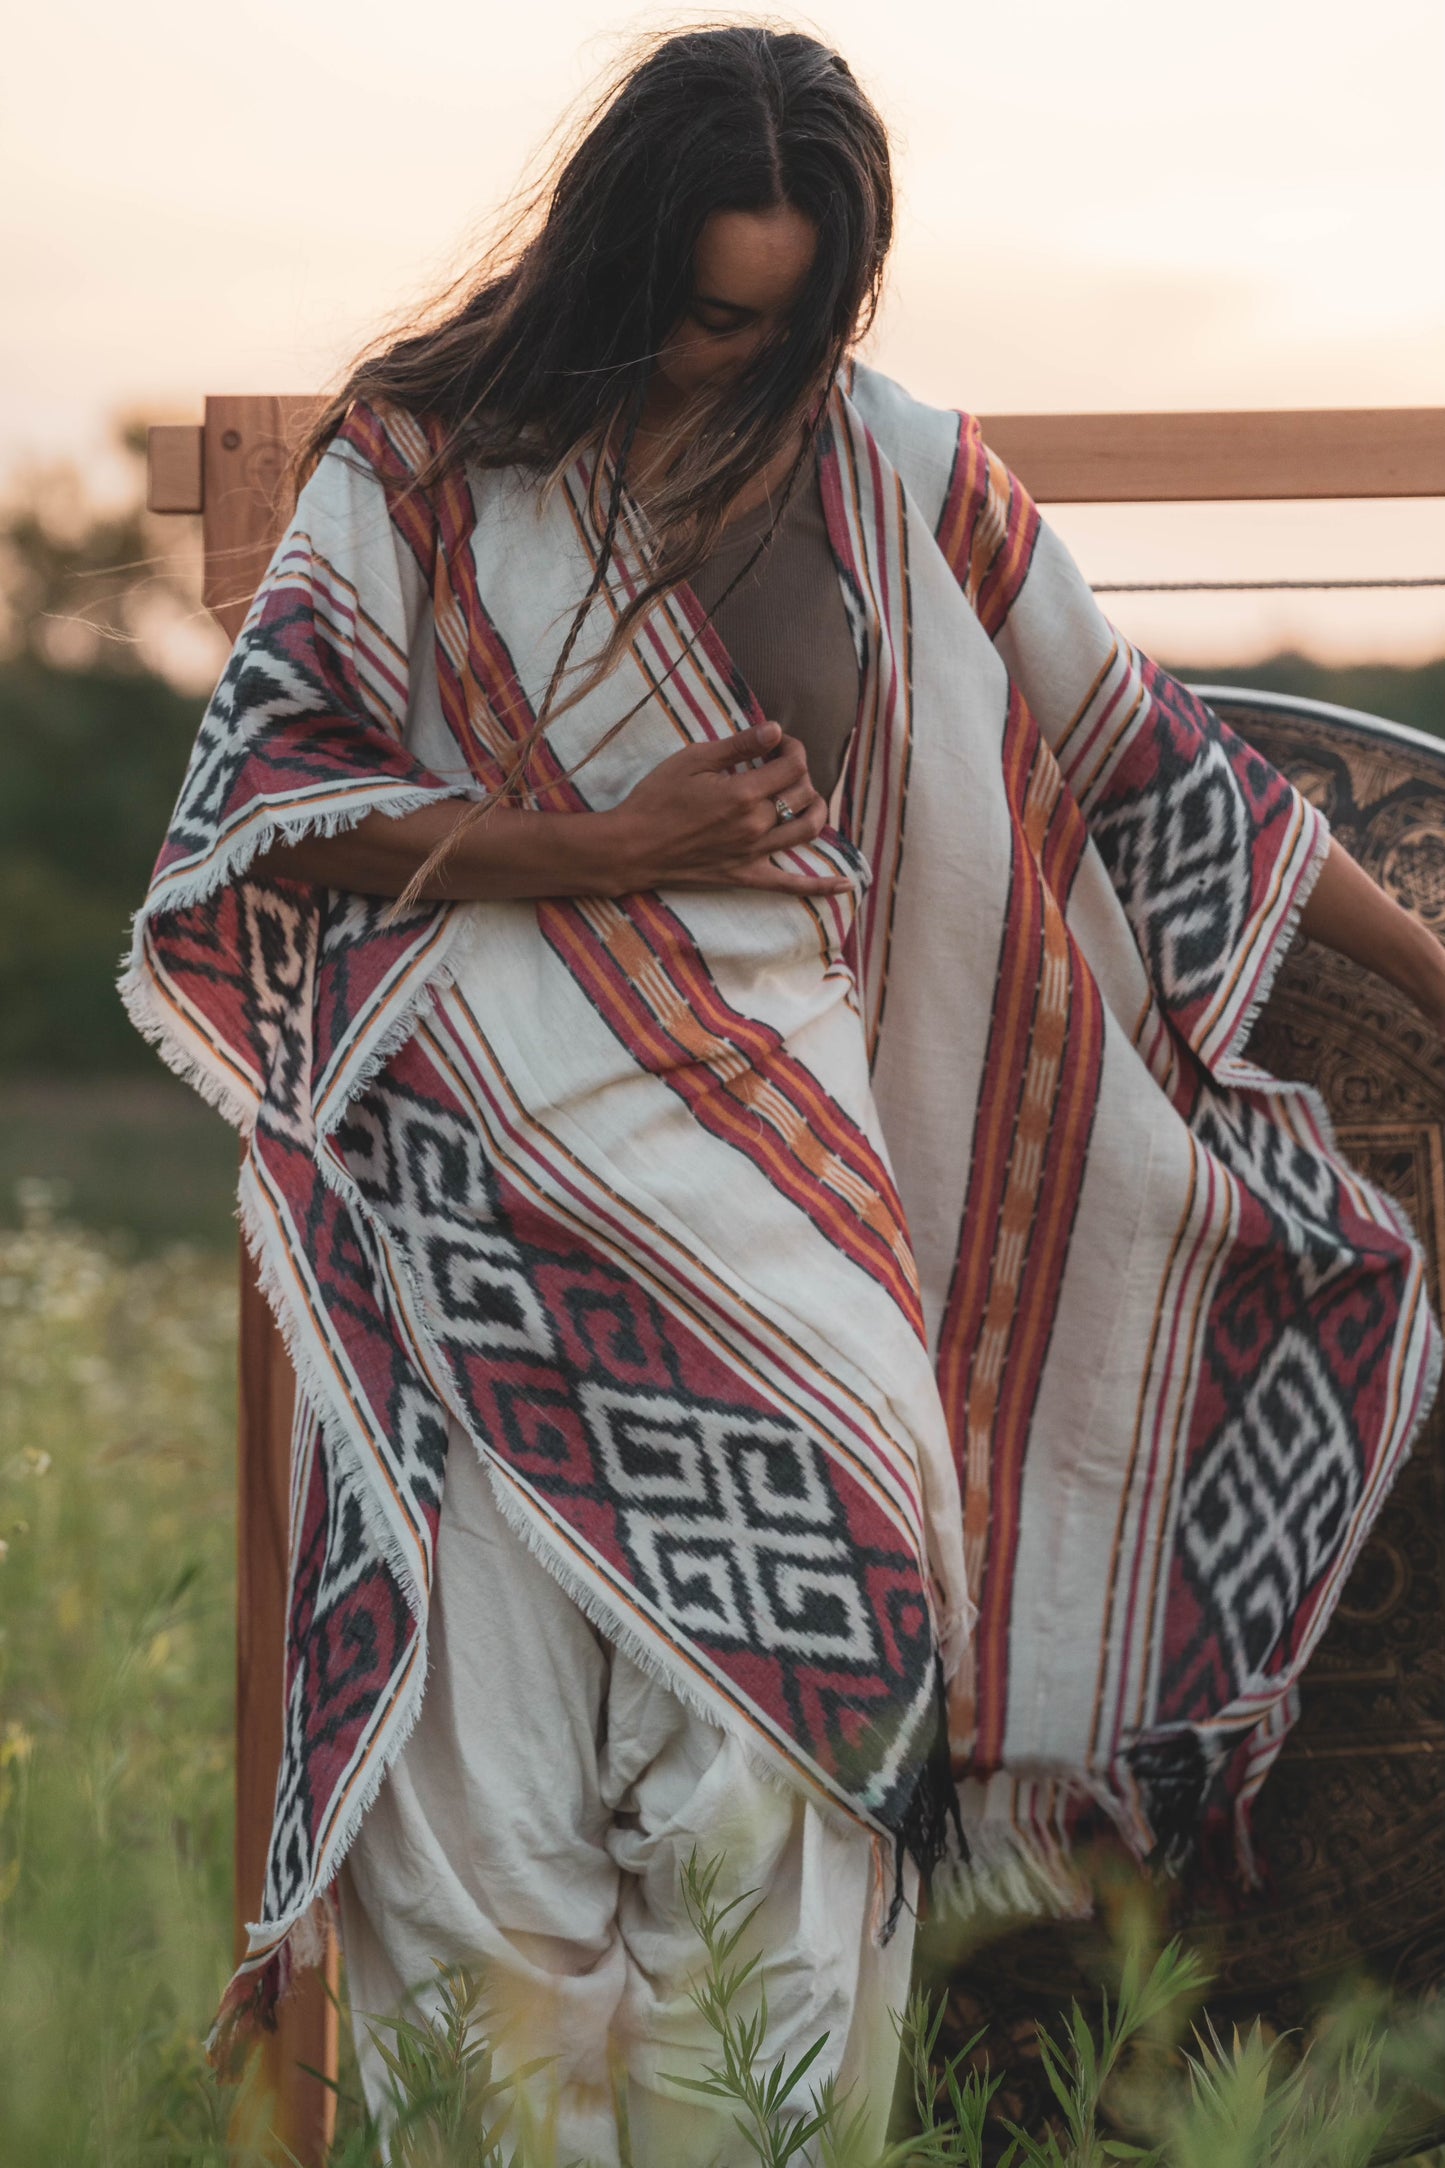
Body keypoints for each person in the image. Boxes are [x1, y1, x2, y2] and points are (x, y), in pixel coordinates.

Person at [122, 24, 1444, 2163]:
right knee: (491, 1823)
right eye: (683, 298)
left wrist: (1442, 987)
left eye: (766, 314)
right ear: (606, 244)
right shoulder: (415, 467)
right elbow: (257, 804)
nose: (709, 350)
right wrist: (603, 848)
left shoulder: (893, 470)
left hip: (782, 1188)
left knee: (799, 1759)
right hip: (476, 1210)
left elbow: (1154, 768)